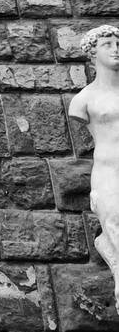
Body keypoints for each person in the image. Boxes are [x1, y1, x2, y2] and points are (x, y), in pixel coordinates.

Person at [69, 24, 119, 306]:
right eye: (107, 44)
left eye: (117, 43)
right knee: (115, 223)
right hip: (109, 171)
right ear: (93, 53)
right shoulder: (83, 100)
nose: (115, 49)